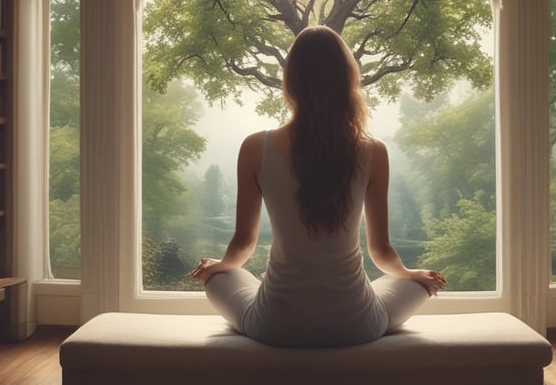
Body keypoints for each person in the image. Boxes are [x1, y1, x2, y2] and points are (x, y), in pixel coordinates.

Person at [189, 25, 446, 347]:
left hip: (275, 325)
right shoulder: (373, 151)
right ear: (348, 81)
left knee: (220, 276)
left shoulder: (256, 147)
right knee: (418, 281)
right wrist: (410, 274)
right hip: (356, 325)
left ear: (290, 82)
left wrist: (218, 266)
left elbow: (243, 244)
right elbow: (380, 253)